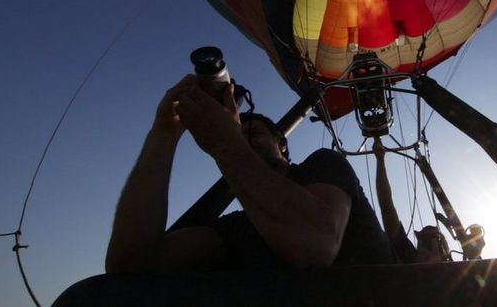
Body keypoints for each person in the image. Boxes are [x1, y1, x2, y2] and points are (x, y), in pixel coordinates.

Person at [105, 75, 395, 273]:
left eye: (252, 134)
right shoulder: (236, 229)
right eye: (237, 137)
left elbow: (314, 244)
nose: (243, 143)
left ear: (281, 144)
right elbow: (131, 261)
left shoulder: (323, 165)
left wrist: (225, 142)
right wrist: (163, 134)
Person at [373, 139, 451, 263]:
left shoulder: (459, 271)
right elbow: (387, 206)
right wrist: (380, 159)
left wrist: (380, 159)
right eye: (426, 242)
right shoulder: (408, 257)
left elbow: (386, 205)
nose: (431, 246)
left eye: (433, 241)